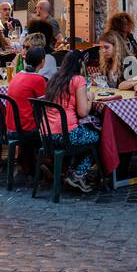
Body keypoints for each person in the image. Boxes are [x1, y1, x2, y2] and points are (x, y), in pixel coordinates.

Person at [43, 51, 100, 192]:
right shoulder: (78, 79)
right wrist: (90, 97)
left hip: (46, 134)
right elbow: (83, 112)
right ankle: (78, 174)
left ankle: (71, 171)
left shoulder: (55, 79)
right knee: (98, 137)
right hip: (66, 134)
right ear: (80, 64)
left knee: (85, 134)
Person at [3, 44, 49, 178]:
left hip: (11, 127)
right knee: (53, 129)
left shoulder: (16, 76)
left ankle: (33, 165)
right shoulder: (38, 79)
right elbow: (45, 104)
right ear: (42, 61)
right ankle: (49, 166)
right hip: (25, 129)